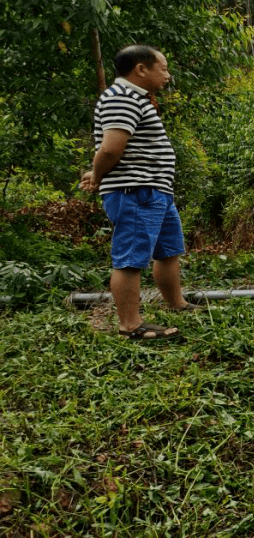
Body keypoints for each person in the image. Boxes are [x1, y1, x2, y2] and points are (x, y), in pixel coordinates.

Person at [79, 45, 199, 340]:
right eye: (164, 68)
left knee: (168, 251)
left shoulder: (135, 98)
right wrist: (97, 174)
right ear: (141, 69)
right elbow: (110, 148)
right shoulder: (122, 97)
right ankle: (130, 325)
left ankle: (177, 303)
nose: (168, 76)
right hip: (136, 191)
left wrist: (97, 173)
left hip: (154, 190)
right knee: (131, 258)